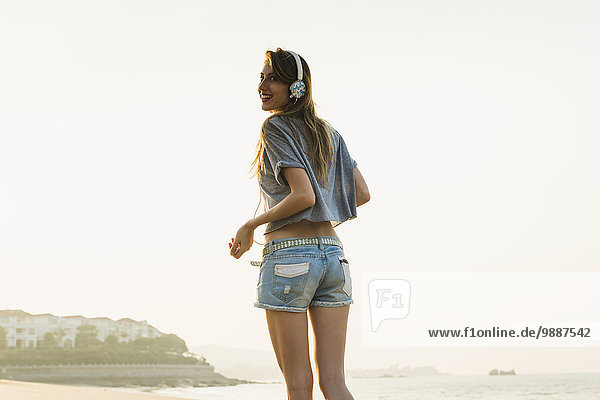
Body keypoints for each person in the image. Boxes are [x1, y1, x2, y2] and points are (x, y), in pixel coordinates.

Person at [228, 48, 370, 400]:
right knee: (335, 383)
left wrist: (251, 224)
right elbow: (362, 193)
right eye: (261, 77)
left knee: (298, 385)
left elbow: (303, 195)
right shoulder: (329, 133)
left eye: (273, 78)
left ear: (296, 86)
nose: (263, 85)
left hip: (290, 258)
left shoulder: (274, 127)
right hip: (335, 259)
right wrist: (325, 216)